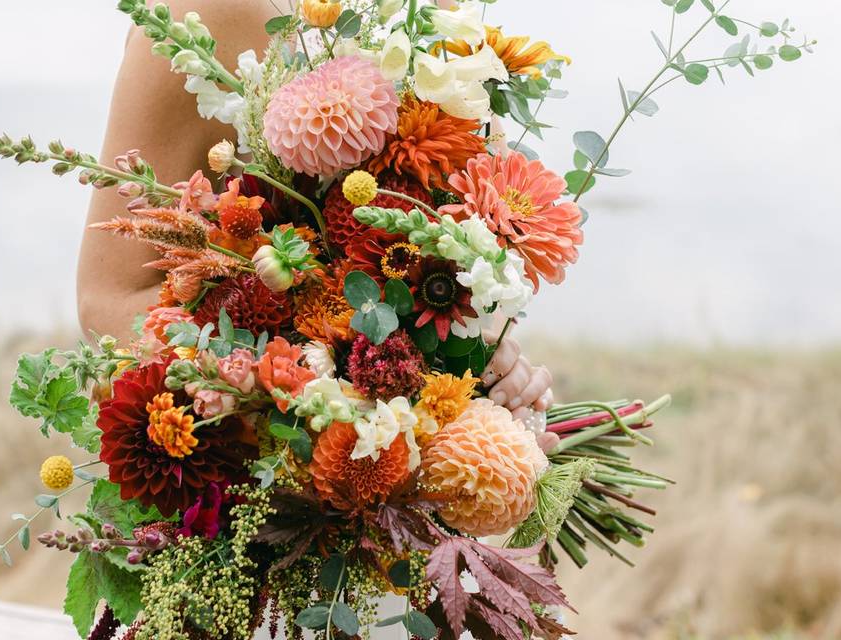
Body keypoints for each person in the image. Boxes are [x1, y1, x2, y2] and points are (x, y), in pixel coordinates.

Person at [76, 0, 558, 446]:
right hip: (272, 477)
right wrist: (310, 408)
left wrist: (491, 376)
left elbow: (462, 257)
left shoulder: (436, 17)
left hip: (413, 472)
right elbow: (110, 300)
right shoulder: (205, 14)